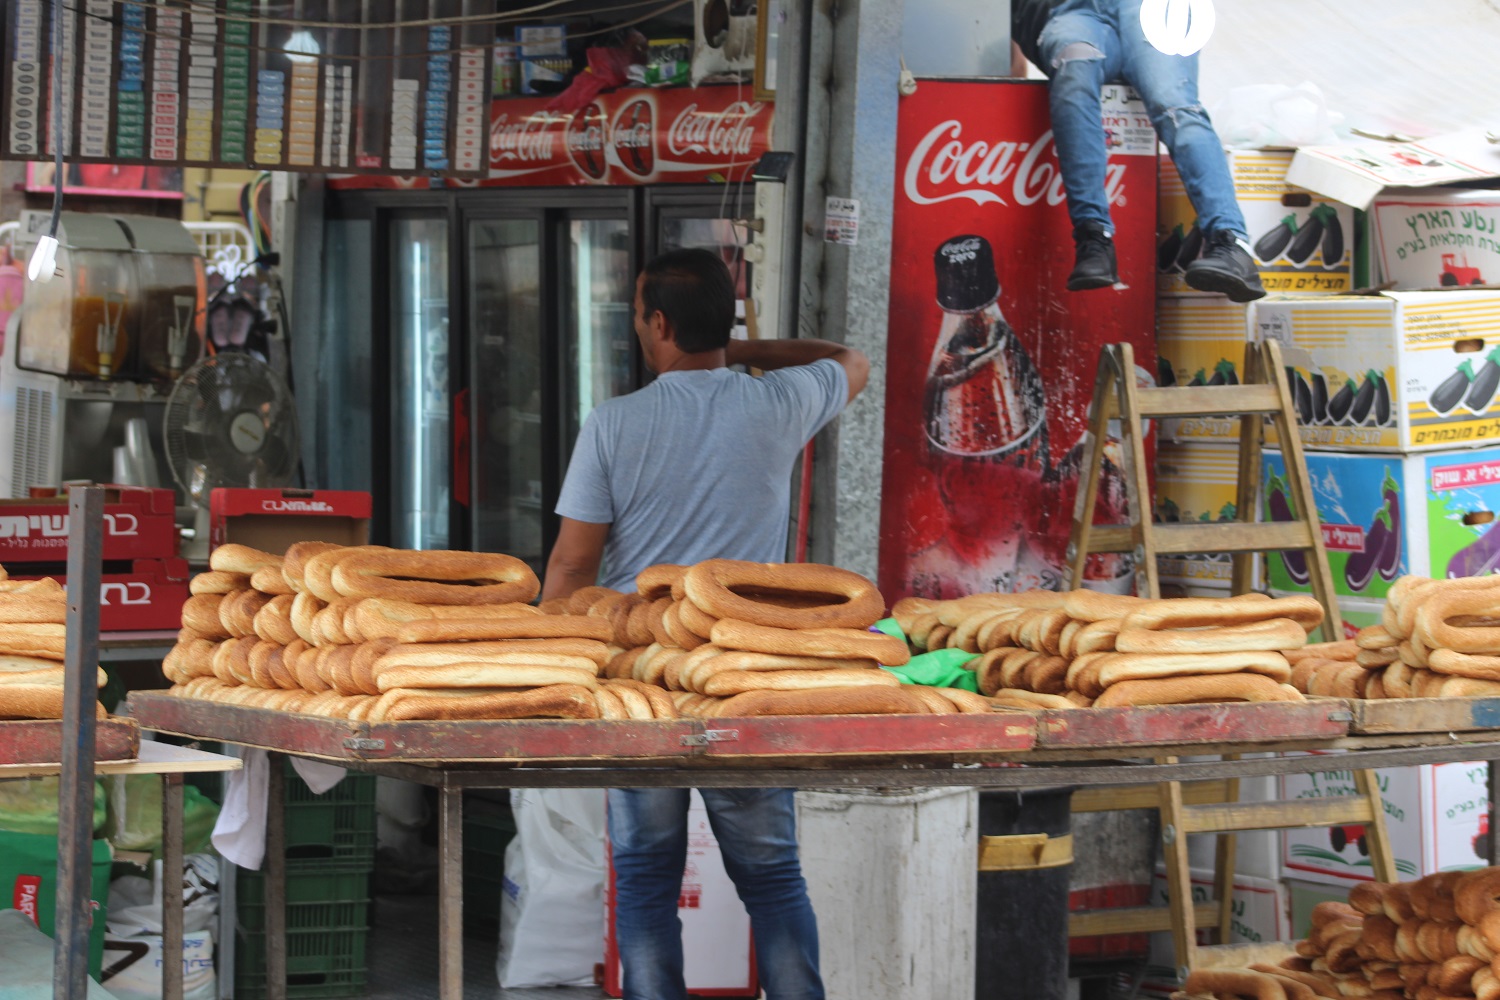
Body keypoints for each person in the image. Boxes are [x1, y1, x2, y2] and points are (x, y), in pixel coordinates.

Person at [540, 247, 869, 1000]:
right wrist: (737, 348)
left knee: (647, 881)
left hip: (644, 684)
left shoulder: (614, 423)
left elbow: (570, 566)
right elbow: (852, 359)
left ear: (659, 323)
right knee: (774, 880)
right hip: (743, 676)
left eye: (640, 319)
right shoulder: (778, 402)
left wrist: (551, 660)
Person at [1011, 0, 1266, 302]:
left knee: (1172, 102)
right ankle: (1094, 237)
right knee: (1073, 72)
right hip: (1075, 9)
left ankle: (1231, 241)